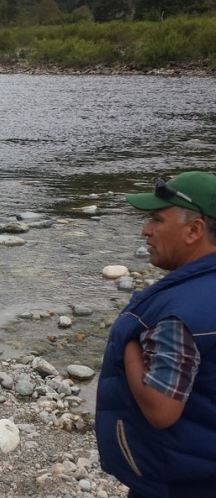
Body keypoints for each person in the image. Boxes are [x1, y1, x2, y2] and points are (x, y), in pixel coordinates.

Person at [96, 171, 216, 498]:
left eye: (157, 220)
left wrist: (131, 353)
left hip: (180, 482)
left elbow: (161, 410)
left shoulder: (181, 314)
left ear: (194, 230)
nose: (145, 230)